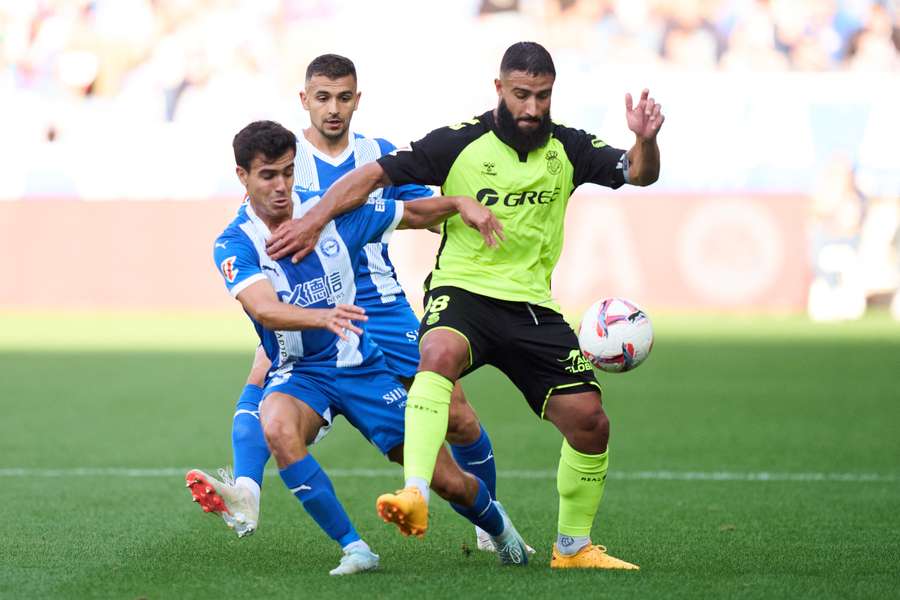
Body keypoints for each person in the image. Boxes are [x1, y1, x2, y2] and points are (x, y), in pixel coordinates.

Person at [265, 41, 664, 570]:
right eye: (521, 95)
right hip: (463, 290)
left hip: (532, 305)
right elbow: (371, 176)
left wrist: (644, 139)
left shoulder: (567, 146)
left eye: (542, 96)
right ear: (499, 89)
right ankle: (415, 492)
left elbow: (639, 173)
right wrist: (313, 221)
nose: (532, 108)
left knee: (590, 421)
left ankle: (572, 547)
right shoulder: (459, 142)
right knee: (439, 355)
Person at [188, 54, 525, 555]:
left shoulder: (376, 154)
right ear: (305, 100)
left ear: (357, 100)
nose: (333, 109)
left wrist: (463, 216)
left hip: (381, 306)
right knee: (265, 379)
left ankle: (488, 519)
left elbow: (415, 212)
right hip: (303, 302)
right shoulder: (284, 155)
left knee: (455, 413)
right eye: (322, 97)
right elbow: (258, 236)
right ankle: (249, 491)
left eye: (343, 97)